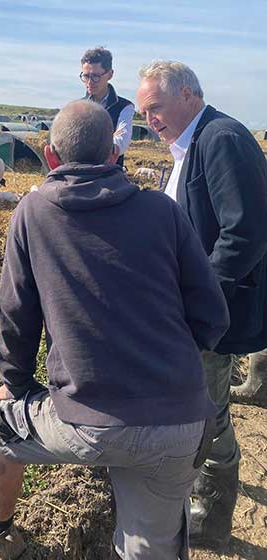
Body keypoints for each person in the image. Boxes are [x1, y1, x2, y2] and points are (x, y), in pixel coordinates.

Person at [0, 100, 230, 560]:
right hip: (180, 419)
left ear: (50, 157)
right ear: (113, 156)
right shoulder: (164, 211)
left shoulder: (32, 213)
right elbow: (212, 318)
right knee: (151, 548)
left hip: (89, 423)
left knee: (1, 426)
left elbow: (16, 320)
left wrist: (15, 387)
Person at [136, 60, 267, 551]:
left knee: (206, 410)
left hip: (214, 312)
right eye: (144, 110)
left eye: (156, 107)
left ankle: (211, 513)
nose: (149, 118)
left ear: (189, 94)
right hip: (198, 307)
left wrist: (200, 296)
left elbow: (246, 232)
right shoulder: (192, 143)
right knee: (206, 403)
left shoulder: (221, 139)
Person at [80, 47, 134, 166]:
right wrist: (109, 139)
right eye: (86, 76)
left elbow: (121, 143)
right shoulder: (78, 107)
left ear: (110, 74)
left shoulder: (124, 107)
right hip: (81, 174)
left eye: (95, 76)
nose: (89, 82)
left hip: (108, 177)